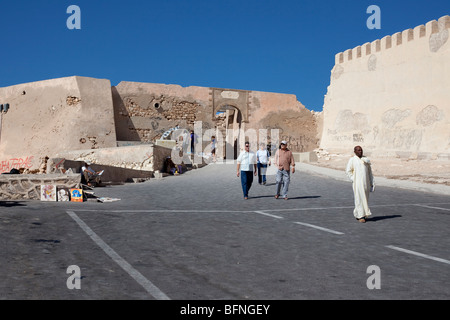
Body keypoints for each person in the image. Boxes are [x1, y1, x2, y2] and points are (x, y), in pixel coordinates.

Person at [345, 146, 375, 223]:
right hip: (357, 183)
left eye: (361, 150)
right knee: (359, 199)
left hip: (366, 183)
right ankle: (361, 216)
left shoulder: (366, 160)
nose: (360, 151)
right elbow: (348, 171)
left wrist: (372, 183)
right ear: (355, 151)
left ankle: (360, 214)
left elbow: (370, 173)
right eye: (358, 150)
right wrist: (354, 179)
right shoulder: (352, 160)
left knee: (365, 199)